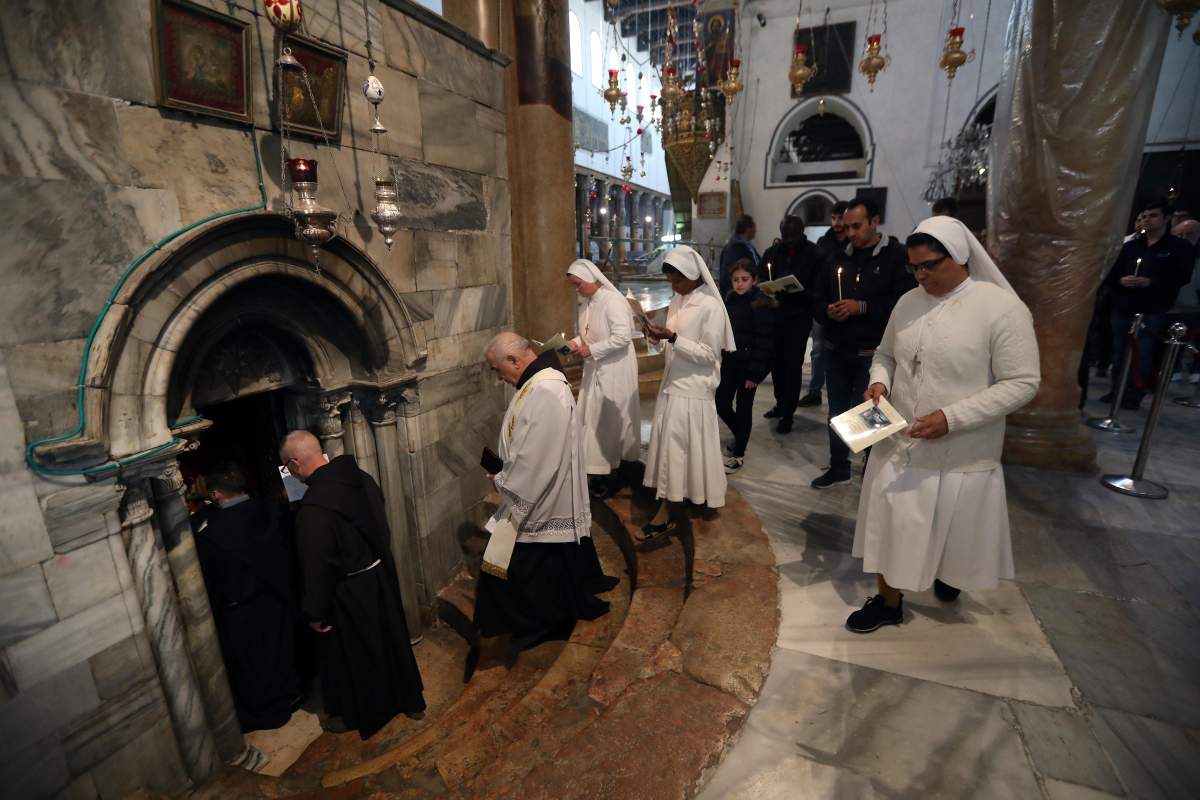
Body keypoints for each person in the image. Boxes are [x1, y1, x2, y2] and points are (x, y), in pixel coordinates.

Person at [846, 216, 1040, 633]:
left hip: (958, 448)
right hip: (898, 439)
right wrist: (878, 382)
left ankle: (948, 572)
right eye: (915, 267)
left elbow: (1023, 383)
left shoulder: (1001, 308)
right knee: (894, 524)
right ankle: (887, 600)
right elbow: (885, 354)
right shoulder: (908, 302)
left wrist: (953, 418)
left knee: (951, 529)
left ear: (960, 257)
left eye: (931, 265)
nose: (921, 275)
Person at [280, 431, 425, 738]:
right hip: (378, 576)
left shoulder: (313, 509)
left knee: (359, 655)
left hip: (348, 592)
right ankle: (410, 701)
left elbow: (316, 567)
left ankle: (368, 713)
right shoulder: (361, 477)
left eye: (287, 467)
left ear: (294, 464)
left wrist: (315, 614)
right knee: (391, 642)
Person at [475, 333, 615, 649]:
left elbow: (537, 459)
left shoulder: (546, 391)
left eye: (498, 370)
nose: (500, 377)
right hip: (539, 491)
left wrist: (503, 481)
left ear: (514, 360)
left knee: (519, 567)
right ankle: (543, 619)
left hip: (540, 496)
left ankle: (540, 625)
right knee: (538, 566)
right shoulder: (536, 384)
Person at [810, 197, 916, 489]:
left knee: (871, 415)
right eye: (847, 227)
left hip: (873, 353)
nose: (851, 233)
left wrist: (863, 307)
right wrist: (827, 311)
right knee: (838, 414)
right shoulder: (835, 258)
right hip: (837, 351)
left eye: (857, 226)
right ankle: (839, 466)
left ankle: (872, 470)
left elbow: (903, 303)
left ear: (874, 222)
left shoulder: (895, 256)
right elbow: (817, 299)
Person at [192, 462, 300, 731]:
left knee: (253, 667)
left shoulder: (208, 532)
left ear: (215, 494)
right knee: (281, 652)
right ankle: (291, 696)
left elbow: (208, 579)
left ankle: (265, 712)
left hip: (239, 611)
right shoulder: (275, 510)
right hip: (277, 600)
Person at [641, 246, 737, 538]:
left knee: (678, 450)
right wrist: (657, 340)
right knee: (679, 450)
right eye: (670, 281)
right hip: (673, 385)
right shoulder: (677, 301)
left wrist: (673, 337)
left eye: (678, 281)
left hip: (694, 389)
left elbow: (709, 355)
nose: (674, 286)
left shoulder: (711, 307)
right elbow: (673, 342)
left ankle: (667, 512)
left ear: (694, 276)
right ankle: (687, 495)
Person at [1100, 199, 1194, 409]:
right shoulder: (1131, 247)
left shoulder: (1179, 248)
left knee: (1142, 351)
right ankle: (1117, 389)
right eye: (1145, 215)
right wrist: (1121, 280)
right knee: (1119, 350)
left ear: (1166, 219)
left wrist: (1151, 282)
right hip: (1124, 305)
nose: (1147, 220)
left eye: (1153, 215)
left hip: (1153, 307)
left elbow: (1182, 277)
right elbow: (1112, 273)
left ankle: (1134, 392)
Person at [565, 259, 641, 498]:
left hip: (615, 370)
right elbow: (586, 334)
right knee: (593, 420)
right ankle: (599, 472)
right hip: (596, 369)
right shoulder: (587, 303)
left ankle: (613, 474)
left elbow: (623, 337)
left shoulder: (613, 301)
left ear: (591, 279)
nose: (577, 289)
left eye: (578, 284)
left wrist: (592, 350)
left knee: (609, 422)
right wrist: (574, 344)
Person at [759, 215, 823, 432]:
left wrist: (801, 293)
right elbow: (761, 278)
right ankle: (780, 403)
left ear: (802, 231)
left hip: (799, 318)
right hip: (775, 317)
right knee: (776, 365)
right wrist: (768, 290)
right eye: (785, 235)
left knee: (793, 366)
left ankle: (788, 414)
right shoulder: (772, 252)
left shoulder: (814, 254)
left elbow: (820, 287)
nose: (789, 240)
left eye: (793, 235)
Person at [717, 259, 774, 473]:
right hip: (730, 361)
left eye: (745, 279)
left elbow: (764, 340)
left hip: (750, 365)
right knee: (721, 401)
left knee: (744, 408)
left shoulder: (761, 303)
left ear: (754, 280)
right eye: (736, 280)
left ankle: (739, 453)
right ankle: (740, 434)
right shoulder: (730, 300)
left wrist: (755, 374)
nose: (740, 284)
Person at [718, 215, 760, 295]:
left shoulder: (746, 245)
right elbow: (731, 274)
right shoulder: (736, 248)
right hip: (738, 294)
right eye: (754, 227)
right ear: (748, 229)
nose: (756, 230)